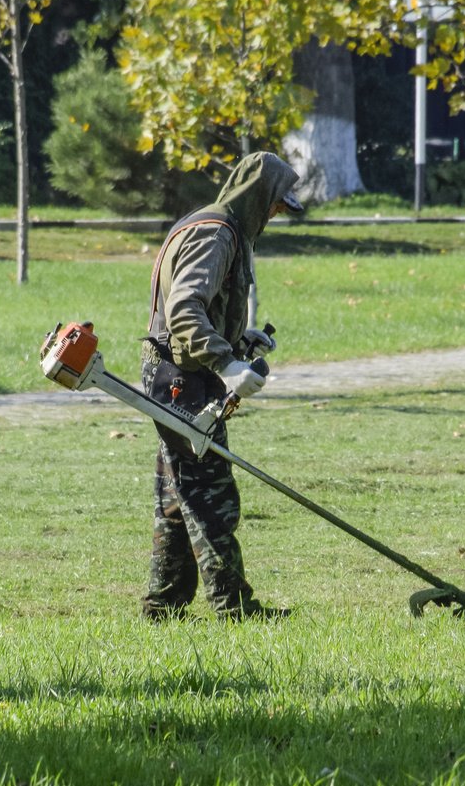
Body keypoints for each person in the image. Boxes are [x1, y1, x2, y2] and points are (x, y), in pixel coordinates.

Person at [139, 151, 303, 621]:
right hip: (181, 380)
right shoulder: (217, 234)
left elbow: (200, 310)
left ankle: (162, 605)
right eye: (276, 204)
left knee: (179, 495)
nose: (277, 214)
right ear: (258, 197)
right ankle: (234, 608)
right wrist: (227, 363)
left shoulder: (216, 226)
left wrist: (237, 339)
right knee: (211, 495)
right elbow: (186, 311)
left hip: (176, 373)